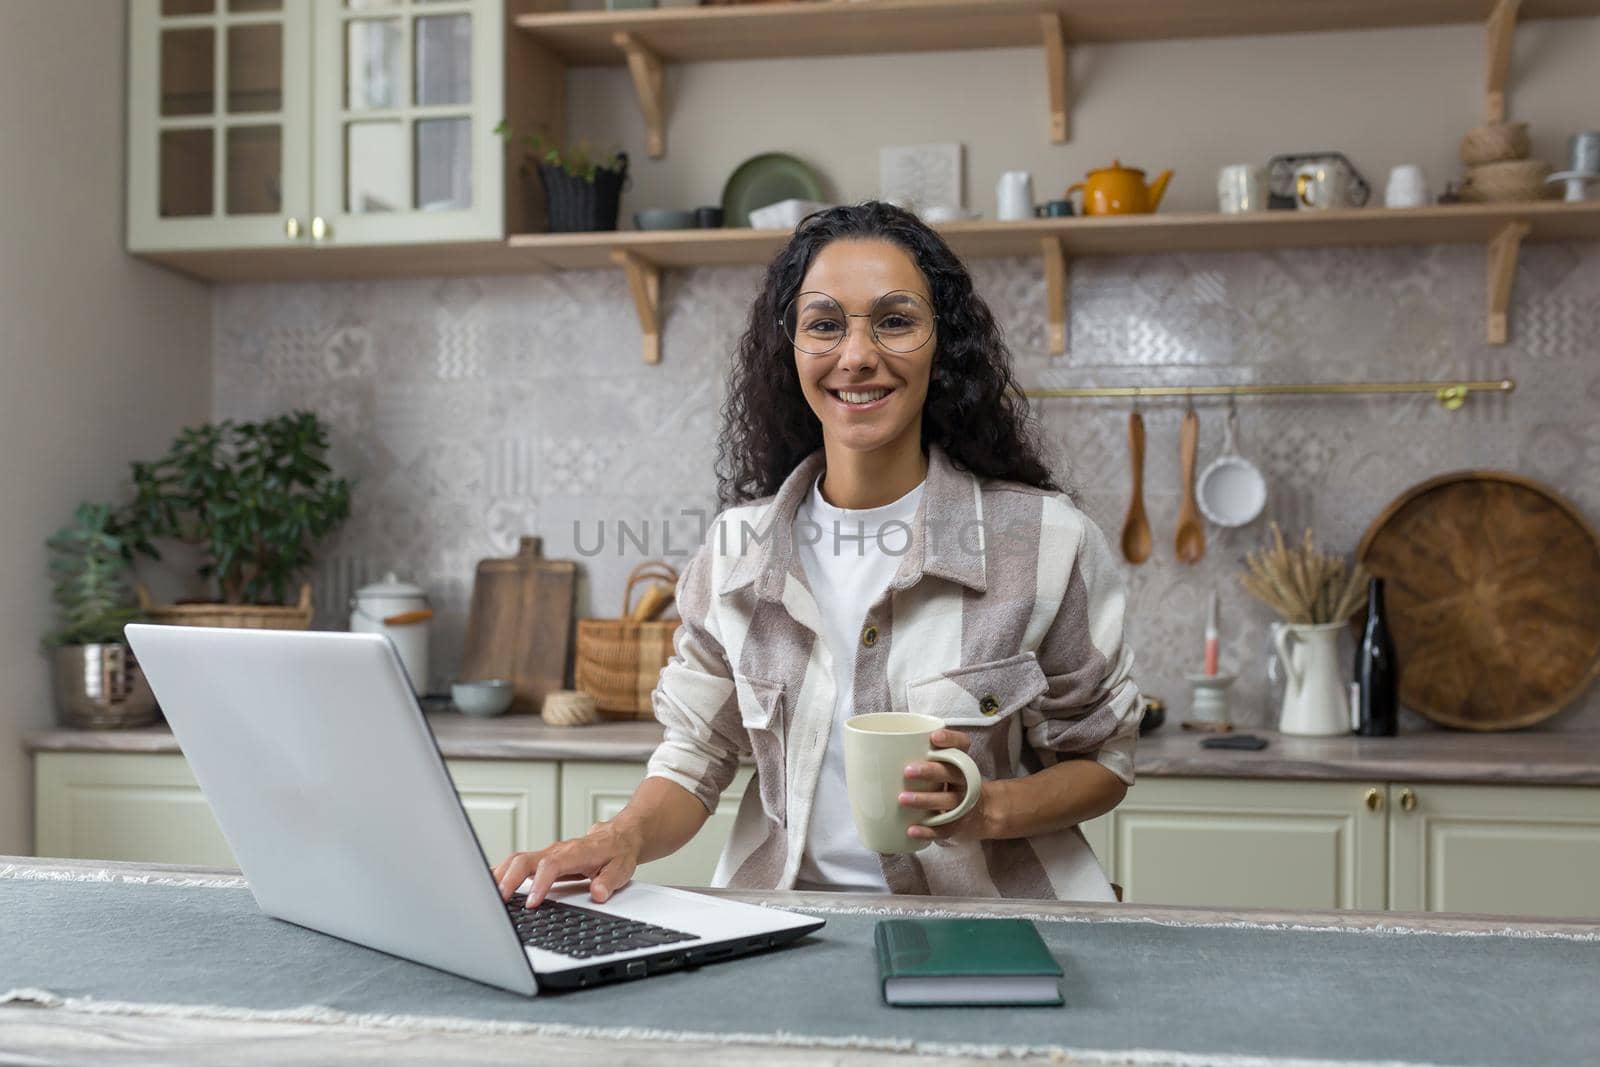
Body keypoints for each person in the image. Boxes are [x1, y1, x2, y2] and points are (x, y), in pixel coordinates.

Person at [495, 201, 1141, 905]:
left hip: (992, 930)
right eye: (825, 324)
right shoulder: (735, 550)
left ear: (942, 346)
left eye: (895, 320)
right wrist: (620, 836)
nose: (857, 355)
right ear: (792, 350)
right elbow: (694, 758)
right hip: (785, 925)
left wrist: (988, 809)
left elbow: (1101, 758)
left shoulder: (1046, 541)